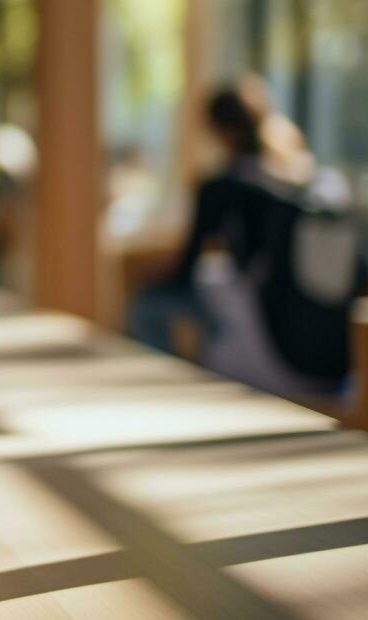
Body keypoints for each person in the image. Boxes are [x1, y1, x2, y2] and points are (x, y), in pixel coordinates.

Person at [127, 84, 344, 394]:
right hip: (325, 352)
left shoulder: (223, 186)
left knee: (148, 304)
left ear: (219, 131)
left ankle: (172, 393)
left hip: (267, 339)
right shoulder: (303, 176)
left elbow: (186, 268)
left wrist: (149, 273)